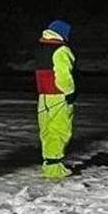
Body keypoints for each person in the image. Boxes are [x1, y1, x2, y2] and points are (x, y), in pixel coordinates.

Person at [35, 19, 76, 179]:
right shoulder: (62, 50)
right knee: (60, 130)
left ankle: (49, 163)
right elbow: (63, 75)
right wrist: (69, 92)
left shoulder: (41, 48)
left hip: (43, 96)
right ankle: (54, 167)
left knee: (46, 130)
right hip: (58, 95)